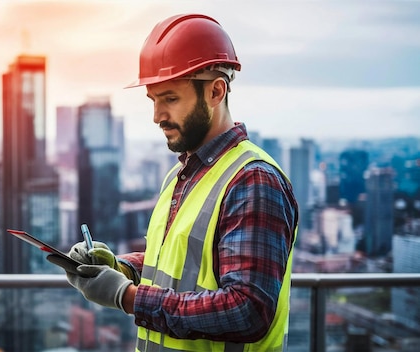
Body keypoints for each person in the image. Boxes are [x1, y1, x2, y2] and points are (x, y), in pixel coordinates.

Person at [58, 13, 299, 352]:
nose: (157, 116)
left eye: (170, 98)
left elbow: (248, 310)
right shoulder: (181, 175)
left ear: (216, 91)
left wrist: (127, 297)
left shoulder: (252, 181)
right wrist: (119, 267)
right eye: (153, 100)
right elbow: (176, 266)